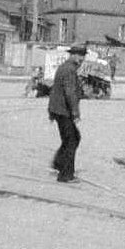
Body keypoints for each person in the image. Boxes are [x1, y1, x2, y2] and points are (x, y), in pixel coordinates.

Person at [48, 44, 86, 183]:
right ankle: (65, 175)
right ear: (73, 55)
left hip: (58, 109)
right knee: (72, 140)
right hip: (63, 110)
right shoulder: (69, 70)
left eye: (83, 56)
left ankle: (58, 163)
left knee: (73, 137)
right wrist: (75, 113)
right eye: (80, 56)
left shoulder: (66, 67)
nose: (82, 59)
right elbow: (70, 93)